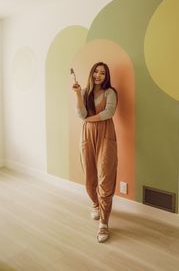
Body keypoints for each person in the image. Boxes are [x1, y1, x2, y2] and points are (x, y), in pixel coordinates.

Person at [72, 62, 118, 243]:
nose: (99, 75)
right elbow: (80, 113)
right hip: (87, 136)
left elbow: (109, 112)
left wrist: (89, 119)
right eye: (96, 72)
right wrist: (77, 94)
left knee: (105, 178)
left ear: (106, 77)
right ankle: (95, 204)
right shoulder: (84, 93)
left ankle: (104, 224)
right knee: (89, 177)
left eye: (103, 73)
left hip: (106, 136)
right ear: (91, 74)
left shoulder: (110, 92)